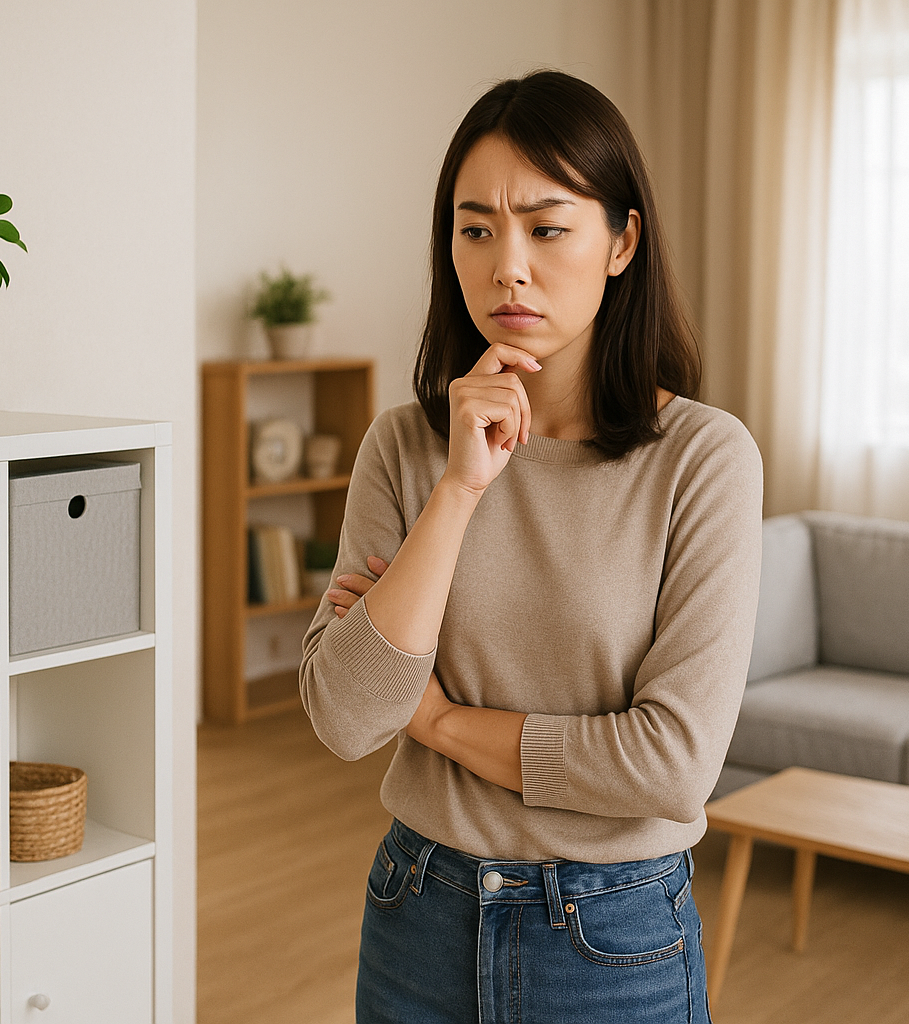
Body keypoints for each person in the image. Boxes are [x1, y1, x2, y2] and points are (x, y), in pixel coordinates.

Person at [298, 69, 763, 1024]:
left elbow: (671, 765)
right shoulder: (402, 447)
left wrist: (437, 725)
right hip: (416, 909)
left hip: (609, 935)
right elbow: (346, 716)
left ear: (622, 241)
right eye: (476, 230)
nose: (508, 265)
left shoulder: (704, 460)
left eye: (547, 228)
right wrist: (461, 489)